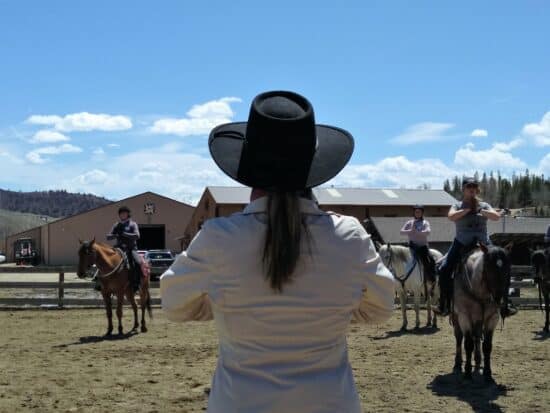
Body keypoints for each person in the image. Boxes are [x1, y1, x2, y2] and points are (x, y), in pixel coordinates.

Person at [161, 91, 395, 413]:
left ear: (248, 167)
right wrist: (332, 309)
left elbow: (174, 306)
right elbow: (381, 309)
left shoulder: (218, 238)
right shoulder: (349, 235)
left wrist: (227, 305)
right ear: (311, 167)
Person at [435, 177, 517, 317]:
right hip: (461, 242)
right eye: (469, 186)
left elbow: (496, 217)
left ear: (477, 189)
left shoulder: (484, 205)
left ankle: (505, 303)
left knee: (503, 266)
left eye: (474, 186)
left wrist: (481, 211)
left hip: (483, 242)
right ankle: (444, 304)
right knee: (444, 268)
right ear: (464, 189)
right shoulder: (457, 205)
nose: (472, 189)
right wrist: (467, 210)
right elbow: (451, 216)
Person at [106, 206, 142, 291]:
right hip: (119, 248)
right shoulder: (116, 224)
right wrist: (116, 235)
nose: (122, 215)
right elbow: (108, 237)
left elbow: (137, 236)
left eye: (124, 213)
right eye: (121, 213)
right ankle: (99, 282)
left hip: (131, 248)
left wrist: (124, 233)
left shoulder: (133, 224)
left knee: (138, 262)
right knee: (105, 259)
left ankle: (136, 283)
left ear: (128, 214)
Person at [400, 204, 435, 276]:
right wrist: (410, 230)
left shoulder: (425, 222)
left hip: (423, 247)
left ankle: (431, 277)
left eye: (419, 212)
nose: (417, 213)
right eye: (416, 212)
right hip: (412, 246)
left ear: (422, 213)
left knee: (430, 260)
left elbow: (428, 232)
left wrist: (418, 232)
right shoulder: (409, 222)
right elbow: (401, 232)